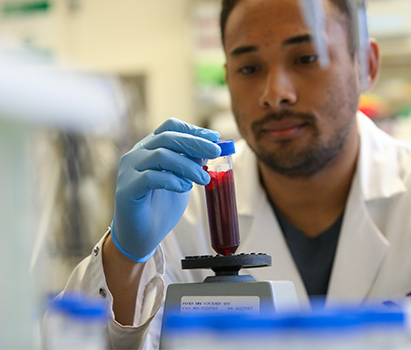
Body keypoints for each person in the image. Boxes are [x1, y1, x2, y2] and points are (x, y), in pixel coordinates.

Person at [54, 0, 411, 348]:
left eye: (306, 58)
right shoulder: (183, 212)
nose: (275, 94)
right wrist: (125, 258)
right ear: (228, 77)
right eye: (249, 68)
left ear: (366, 64)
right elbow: (71, 342)